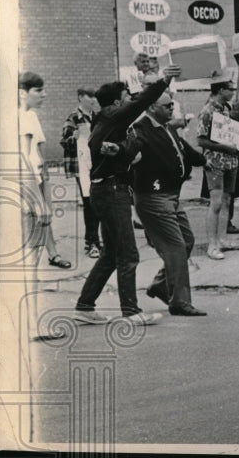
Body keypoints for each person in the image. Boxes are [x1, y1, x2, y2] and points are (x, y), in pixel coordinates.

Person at [73, 65, 181, 326]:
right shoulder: (114, 116)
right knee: (128, 254)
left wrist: (122, 151)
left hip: (105, 188)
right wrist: (163, 81)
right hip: (112, 190)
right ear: (117, 102)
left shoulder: (104, 120)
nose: (130, 100)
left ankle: (85, 306)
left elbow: (126, 146)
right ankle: (131, 312)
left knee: (111, 253)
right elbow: (141, 102)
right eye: (126, 96)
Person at [130, 91, 208, 316]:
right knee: (175, 247)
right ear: (153, 107)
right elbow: (130, 153)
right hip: (153, 197)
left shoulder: (167, 127)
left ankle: (162, 286)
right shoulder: (140, 130)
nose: (172, 109)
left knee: (187, 241)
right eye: (167, 106)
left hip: (172, 195)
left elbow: (183, 150)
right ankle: (180, 302)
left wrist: (203, 160)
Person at [19, 72, 71, 269]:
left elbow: (38, 149)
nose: (44, 95)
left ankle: (53, 254)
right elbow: (24, 162)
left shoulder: (31, 116)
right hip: (26, 180)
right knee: (33, 221)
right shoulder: (18, 117)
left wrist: (46, 177)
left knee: (45, 216)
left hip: (38, 176)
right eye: (38, 90)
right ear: (22, 93)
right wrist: (39, 201)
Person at [197, 73, 239, 260]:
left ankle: (223, 240)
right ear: (221, 90)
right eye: (230, 89)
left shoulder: (226, 109)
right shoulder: (207, 111)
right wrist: (225, 147)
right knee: (215, 202)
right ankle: (212, 244)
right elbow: (201, 140)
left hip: (231, 161)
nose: (233, 92)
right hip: (215, 162)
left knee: (226, 201)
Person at [61, 86, 102, 260]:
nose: (93, 99)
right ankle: (92, 242)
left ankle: (94, 239)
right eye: (89, 96)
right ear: (80, 98)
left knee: (98, 202)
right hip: (82, 167)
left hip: (97, 165)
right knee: (89, 202)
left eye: (94, 96)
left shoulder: (97, 117)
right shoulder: (73, 118)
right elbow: (64, 141)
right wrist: (73, 138)